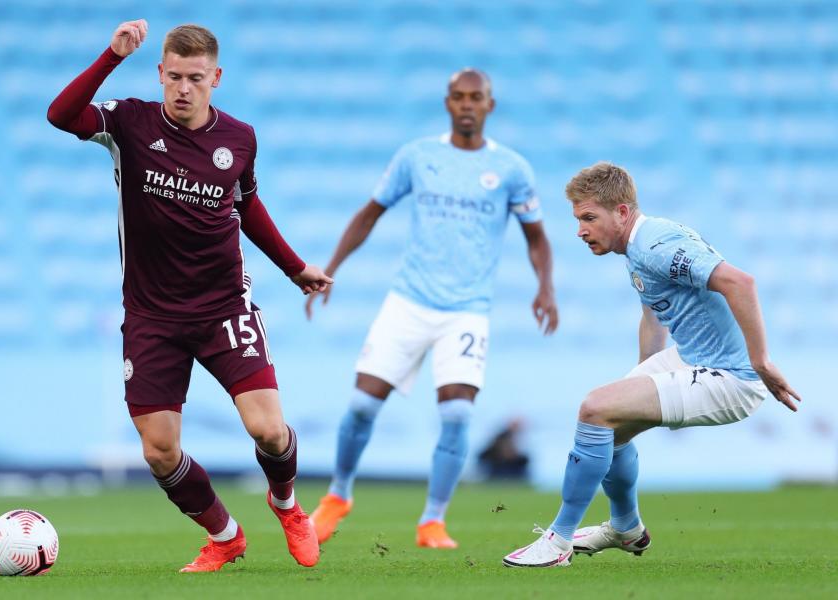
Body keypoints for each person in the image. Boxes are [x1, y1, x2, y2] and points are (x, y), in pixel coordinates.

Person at [47, 20, 332, 572]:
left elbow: (247, 206)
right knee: (158, 451)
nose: (183, 88)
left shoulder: (240, 138)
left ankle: (288, 506)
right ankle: (225, 536)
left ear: (216, 78)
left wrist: (295, 268)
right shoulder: (127, 122)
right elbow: (60, 116)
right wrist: (112, 55)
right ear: (159, 73)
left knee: (270, 431)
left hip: (224, 308)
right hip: (151, 317)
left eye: (195, 78)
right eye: (173, 76)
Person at [306, 69, 559, 549]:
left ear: (490, 105)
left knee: (459, 416)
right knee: (361, 405)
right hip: (408, 302)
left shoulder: (511, 169)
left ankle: (432, 521)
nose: (467, 105)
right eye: (459, 97)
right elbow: (369, 213)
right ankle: (338, 496)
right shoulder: (417, 157)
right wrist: (332, 266)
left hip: (466, 311)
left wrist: (545, 288)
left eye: (476, 98)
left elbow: (538, 239)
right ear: (448, 103)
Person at [502, 162, 801, 568]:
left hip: (731, 377)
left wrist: (761, 361)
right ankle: (625, 528)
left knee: (595, 409)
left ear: (621, 212)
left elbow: (739, 282)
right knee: (610, 428)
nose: (580, 230)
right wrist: (644, 379)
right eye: (577, 219)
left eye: (589, 218)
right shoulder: (638, 249)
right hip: (690, 356)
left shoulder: (656, 245)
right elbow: (653, 311)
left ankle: (558, 542)